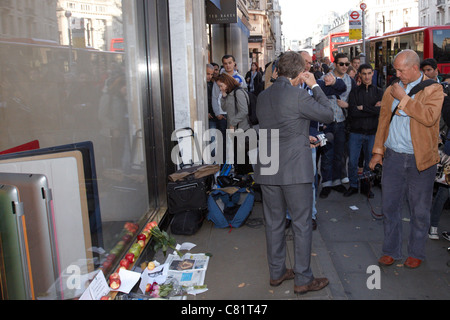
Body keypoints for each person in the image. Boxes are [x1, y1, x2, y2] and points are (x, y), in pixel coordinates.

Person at [254, 51, 334, 294]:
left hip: (269, 167)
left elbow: (276, 125)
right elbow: (329, 114)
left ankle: (277, 273)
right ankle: (303, 278)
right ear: (301, 73)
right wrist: (315, 85)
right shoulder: (300, 95)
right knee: (300, 224)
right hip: (294, 169)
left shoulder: (262, 96)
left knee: (274, 223)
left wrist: (301, 136)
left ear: (277, 71)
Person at [369, 49, 444, 269]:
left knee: (420, 210)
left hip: (420, 160)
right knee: (390, 207)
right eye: (396, 69)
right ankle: (391, 250)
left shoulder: (434, 89)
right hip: (393, 156)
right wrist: (377, 152)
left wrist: (404, 99)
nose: (397, 73)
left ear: (414, 68)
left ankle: (416, 252)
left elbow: (430, 118)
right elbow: (383, 121)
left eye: (401, 70)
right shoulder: (392, 89)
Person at [319, 53, 356, 198]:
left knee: (339, 154)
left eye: (347, 64)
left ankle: (337, 182)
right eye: (342, 64)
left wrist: (347, 105)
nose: (345, 67)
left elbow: (354, 101)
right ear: (335, 64)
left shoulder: (350, 81)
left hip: (341, 121)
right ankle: (326, 184)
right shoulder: (324, 78)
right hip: (327, 123)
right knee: (326, 154)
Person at [344, 63, 383, 197]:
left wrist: (364, 108)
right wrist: (372, 108)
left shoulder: (379, 92)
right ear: (359, 75)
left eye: (369, 73)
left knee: (369, 163)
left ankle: (367, 187)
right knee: (353, 162)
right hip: (356, 132)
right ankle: (353, 185)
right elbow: (353, 112)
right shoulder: (354, 92)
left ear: (373, 73)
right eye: (364, 74)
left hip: (372, 133)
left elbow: (381, 111)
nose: (367, 76)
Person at [211, 55, 247, 162]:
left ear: (234, 63)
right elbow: (214, 97)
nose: (228, 65)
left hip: (236, 116)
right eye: (225, 63)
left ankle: (236, 167)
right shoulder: (219, 80)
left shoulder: (240, 78)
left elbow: (245, 96)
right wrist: (217, 113)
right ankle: (224, 166)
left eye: (230, 63)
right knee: (223, 142)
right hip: (223, 115)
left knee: (237, 142)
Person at [215, 73, 252, 174]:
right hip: (234, 130)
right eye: (219, 86)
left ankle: (246, 178)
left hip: (241, 129)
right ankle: (243, 177)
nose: (220, 88)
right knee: (239, 157)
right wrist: (223, 96)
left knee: (242, 158)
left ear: (227, 83)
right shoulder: (229, 94)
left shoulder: (238, 93)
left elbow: (244, 111)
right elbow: (224, 108)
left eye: (221, 85)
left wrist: (232, 123)